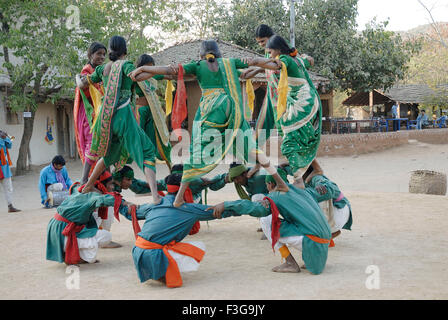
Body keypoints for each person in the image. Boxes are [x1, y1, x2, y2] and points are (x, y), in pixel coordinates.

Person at [129, 39, 290, 207]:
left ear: (201, 55)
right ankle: (281, 183)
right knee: (252, 148)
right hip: (232, 107)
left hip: (212, 110)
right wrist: (277, 63)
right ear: (219, 53)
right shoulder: (230, 63)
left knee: (197, 152)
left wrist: (143, 68)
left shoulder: (197, 65)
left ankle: (179, 198)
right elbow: (254, 64)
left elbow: (167, 70)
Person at [118, 173, 245, 288]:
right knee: (198, 247)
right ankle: (160, 271)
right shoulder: (189, 208)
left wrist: (119, 201)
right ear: (184, 188)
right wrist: (231, 206)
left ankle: (155, 271)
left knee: (169, 243)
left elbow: (131, 212)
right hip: (152, 255)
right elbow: (218, 212)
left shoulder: (154, 204)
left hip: (137, 252)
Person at [77, 35, 161, 205]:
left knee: (108, 157)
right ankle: (155, 196)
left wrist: (77, 78)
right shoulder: (126, 65)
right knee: (148, 152)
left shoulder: (103, 69)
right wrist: (157, 72)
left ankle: (87, 184)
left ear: (109, 51)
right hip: (124, 117)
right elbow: (137, 77)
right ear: (125, 51)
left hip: (107, 120)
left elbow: (83, 84)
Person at [209, 168, 332, 275]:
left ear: (269, 184)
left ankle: (290, 262)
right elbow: (331, 189)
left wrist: (226, 205)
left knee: (266, 220)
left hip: (313, 242)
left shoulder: (276, 195)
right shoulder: (302, 190)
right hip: (323, 244)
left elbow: (255, 209)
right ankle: (308, 257)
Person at [242, 35, 321, 189]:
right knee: (296, 135)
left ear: (277, 50)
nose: (269, 54)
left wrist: (253, 61)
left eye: (270, 51)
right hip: (304, 99)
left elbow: (273, 63)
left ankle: (298, 181)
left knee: (289, 143)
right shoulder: (296, 59)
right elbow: (308, 60)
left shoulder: (285, 60)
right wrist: (254, 69)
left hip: (301, 102)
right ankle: (316, 169)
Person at [46, 171, 128, 265]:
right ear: (101, 185)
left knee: (95, 221)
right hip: (63, 231)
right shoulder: (92, 196)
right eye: (110, 184)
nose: (112, 187)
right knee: (106, 236)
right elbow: (107, 199)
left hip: (55, 230)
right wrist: (125, 203)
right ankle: (71, 251)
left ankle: (76, 252)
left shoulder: (79, 188)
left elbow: (76, 186)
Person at [74, 42, 107, 184]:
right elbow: (83, 86)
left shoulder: (100, 70)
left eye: (104, 54)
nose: (102, 57)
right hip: (89, 112)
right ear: (90, 55)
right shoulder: (87, 71)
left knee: (104, 143)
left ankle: (104, 175)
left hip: (100, 111)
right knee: (93, 142)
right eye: (99, 53)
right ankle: (84, 178)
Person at [134, 54, 172, 170]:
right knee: (139, 136)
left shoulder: (153, 76)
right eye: (148, 66)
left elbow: (168, 75)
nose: (150, 68)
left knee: (156, 136)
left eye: (152, 66)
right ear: (141, 66)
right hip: (141, 111)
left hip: (153, 112)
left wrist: (172, 71)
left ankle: (168, 163)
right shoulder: (135, 76)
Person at [303, 166, 353, 243]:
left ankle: (328, 232)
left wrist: (320, 184)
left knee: (318, 195)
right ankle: (329, 232)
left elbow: (331, 188)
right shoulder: (305, 181)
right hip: (337, 216)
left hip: (338, 214)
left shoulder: (316, 178)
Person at [0, 130, 20, 212]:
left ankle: (10, 205)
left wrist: (5, 138)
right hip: (2, 167)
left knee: (8, 188)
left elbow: (9, 145)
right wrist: (2, 138)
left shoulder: (2, 138)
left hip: (4, 167)